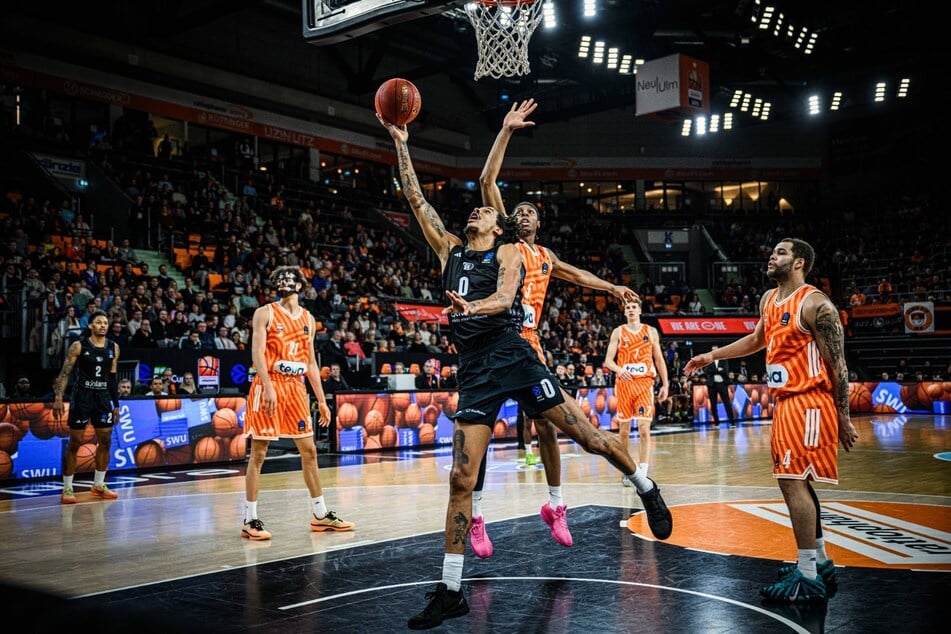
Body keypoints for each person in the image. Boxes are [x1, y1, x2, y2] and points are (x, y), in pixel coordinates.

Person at [380, 114, 671, 630]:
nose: (476, 209)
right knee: (459, 477)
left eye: (485, 209)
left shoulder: (511, 250)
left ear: (497, 224)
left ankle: (644, 485)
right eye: (474, 207)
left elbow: (504, 296)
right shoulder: (448, 249)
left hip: (515, 355)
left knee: (585, 435)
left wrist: (472, 308)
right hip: (475, 370)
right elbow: (413, 195)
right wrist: (400, 142)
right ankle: (451, 589)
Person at [470, 99, 640, 557]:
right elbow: (487, 181)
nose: (521, 214)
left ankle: (556, 505)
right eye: (517, 210)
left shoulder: (545, 256)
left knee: (550, 425)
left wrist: (614, 287)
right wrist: (506, 130)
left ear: (540, 223)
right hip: (493, 340)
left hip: (529, 345)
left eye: (529, 212)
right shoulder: (505, 241)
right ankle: (478, 515)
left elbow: (579, 276)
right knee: (481, 432)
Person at [684, 238, 858, 604]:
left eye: (781, 252)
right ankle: (819, 561)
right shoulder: (768, 299)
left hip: (809, 402)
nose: (771, 256)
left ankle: (808, 574)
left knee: (794, 484)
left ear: (799, 263)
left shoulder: (816, 305)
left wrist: (843, 417)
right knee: (793, 484)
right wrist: (711, 355)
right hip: (785, 403)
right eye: (773, 251)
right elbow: (756, 340)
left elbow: (838, 366)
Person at [241, 266, 354, 541]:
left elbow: (311, 363)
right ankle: (250, 519)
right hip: (268, 384)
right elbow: (256, 353)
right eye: (279, 279)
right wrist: (267, 386)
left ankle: (320, 514)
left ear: (299, 286)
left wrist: (321, 399)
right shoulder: (264, 313)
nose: (283, 282)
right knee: (258, 453)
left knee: (310, 451)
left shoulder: (308, 319)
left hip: (295, 388)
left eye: (289, 279)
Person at [52, 311, 121, 504]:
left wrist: (116, 404)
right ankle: (67, 488)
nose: (103, 325)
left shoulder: (114, 348)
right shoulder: (79, 346)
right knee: (75, 442)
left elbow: (113, 378)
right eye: (98, 322)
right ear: (90, 325)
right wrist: (58, 396)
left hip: (103, 397)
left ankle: (98, 484)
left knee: (105, 440)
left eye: (105, 323)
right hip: (82, 397)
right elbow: (65, 373)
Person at [603, 297, 669, 482]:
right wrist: (618, 369)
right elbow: (608, 361)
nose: (630, 309)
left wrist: (665, 384)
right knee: (623, 431)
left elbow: (659, 359)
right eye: (628, 307)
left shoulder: (651, 331)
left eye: (633, 307)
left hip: (644, 383)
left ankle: (643, 472)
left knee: (643, 429)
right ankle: (626, 470)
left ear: (639, 311)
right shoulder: (618, 332)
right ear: (624, 312)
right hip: (624, 385)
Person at [701, 345, 737, 426]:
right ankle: (716, 423)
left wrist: (715, 371)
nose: (714, 351)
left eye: (715, 350)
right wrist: (718, 370)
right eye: (712, 350)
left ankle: (732, 422)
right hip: (712, 385)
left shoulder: (724, 360)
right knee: (713, 405)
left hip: (722, 384)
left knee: (727, 403)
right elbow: (706, 371)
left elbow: (725, 371)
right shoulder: (708, 361)